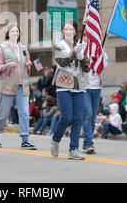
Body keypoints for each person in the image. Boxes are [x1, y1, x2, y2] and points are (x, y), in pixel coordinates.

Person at [50, 20, 90, 160]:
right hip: (63, 85)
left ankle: (73, 149)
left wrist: (82, 57)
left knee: (78, 118)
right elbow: (62, 62)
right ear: (63, 31)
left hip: (78, 85)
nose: (68, 31)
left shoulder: (81, 46)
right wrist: (74, 52)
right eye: (65, 29)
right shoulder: (58, 46)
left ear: (75, 31)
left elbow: (87, 68)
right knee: (66, 117)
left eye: (71, 29)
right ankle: (55, 140)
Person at [0, 24, 37, 150]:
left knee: (24, 113)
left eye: (17, 31)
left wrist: (28, 65)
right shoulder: (2, 48)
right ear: (8, 33)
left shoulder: (23, 48)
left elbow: (27, 65)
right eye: (12, 31)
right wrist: (7, 66)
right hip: (7, 85)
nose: (15, 33)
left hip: (23, 84)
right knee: (4, 113)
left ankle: (25, 139)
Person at [81, 36, 108, 154]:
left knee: (92, 117)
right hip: (85, 86)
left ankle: (87, 141)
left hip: (97, 86)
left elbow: (104, 65)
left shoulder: (99, 47)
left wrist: (100, 53)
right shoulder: (81, 45)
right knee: (88, 113)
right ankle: (88, 142)